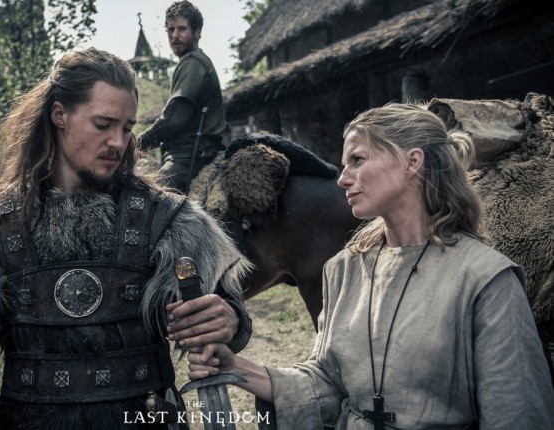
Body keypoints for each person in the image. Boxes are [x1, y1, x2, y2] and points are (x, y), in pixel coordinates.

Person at [0, 47, 253, 430]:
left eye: (127, 128)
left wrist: (230, 321)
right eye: (103, 124)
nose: (119, 142)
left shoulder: (169, 222)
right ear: (59, 114)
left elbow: (231, 320)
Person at [187, 103, 554, 429]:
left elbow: (517, 414)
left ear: (412, 162)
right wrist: (238, 368)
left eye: (358, 160)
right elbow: (326, 383)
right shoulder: (343, 269)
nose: (342, 178)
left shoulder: (486, 280)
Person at [138, 1, 226, 193]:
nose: (175, 35)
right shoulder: (192, 62)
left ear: (197, 32)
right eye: (171, 29)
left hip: (190, 156)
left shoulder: (193, 63)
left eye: (182, 29)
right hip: (188, 153)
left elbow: (174, 119)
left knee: (150, 196)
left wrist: (140, 142)